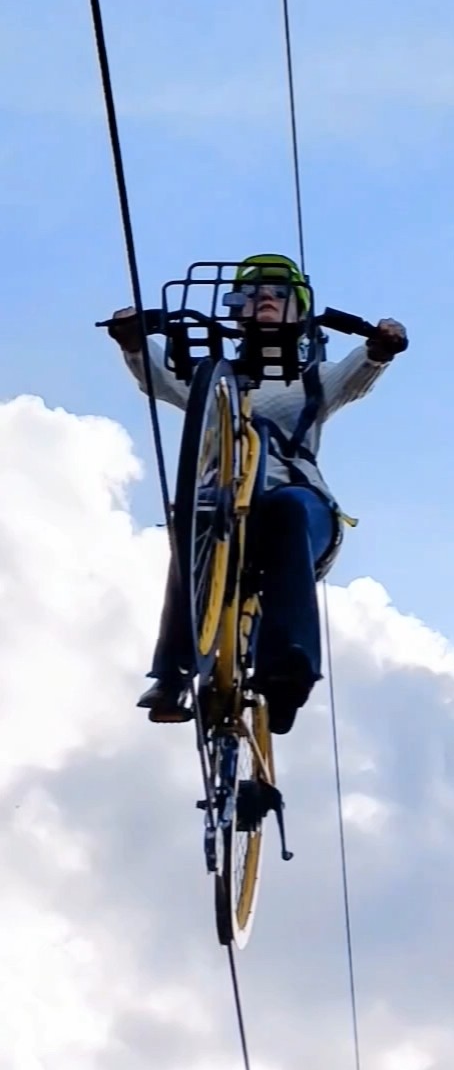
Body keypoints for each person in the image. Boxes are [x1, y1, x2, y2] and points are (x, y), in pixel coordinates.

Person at [106, 254, 407, 733]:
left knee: (286, 508)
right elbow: (158, 376)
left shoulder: (313, 378)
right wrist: (134, 343)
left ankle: (289, 668)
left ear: (300, 313)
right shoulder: (210, 378)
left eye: (279, 295)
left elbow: (358, 372)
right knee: (191, 520)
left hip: (297, 505)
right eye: (251, 295)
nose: (265, 299)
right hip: (222, 509)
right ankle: (172, 674)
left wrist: (380, 347)